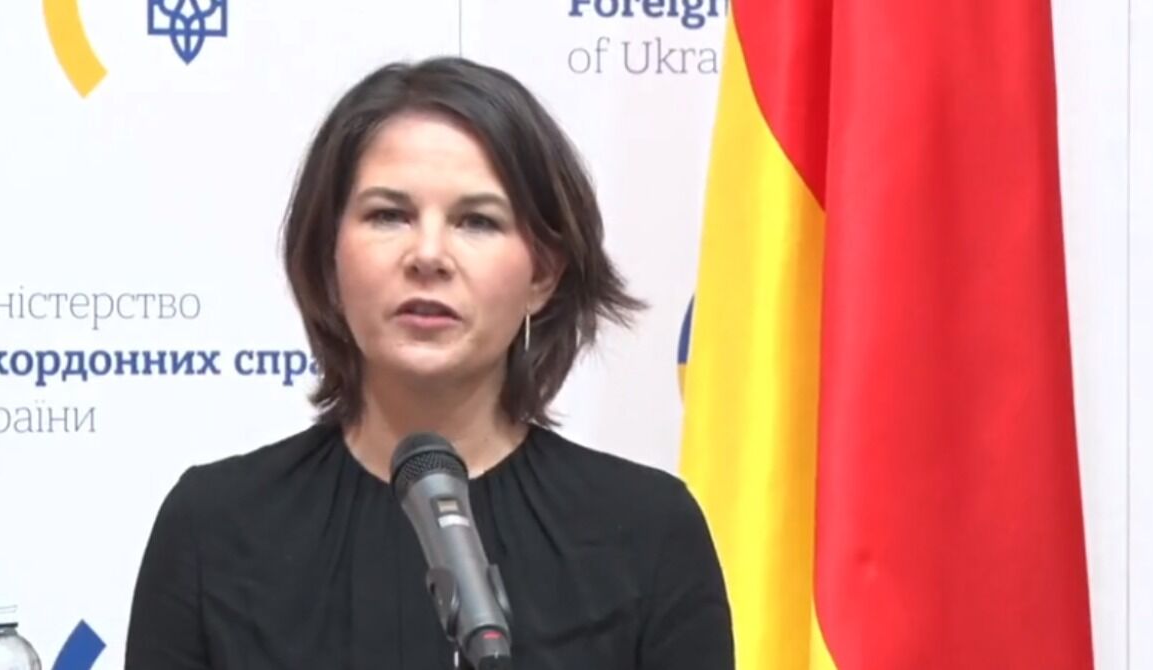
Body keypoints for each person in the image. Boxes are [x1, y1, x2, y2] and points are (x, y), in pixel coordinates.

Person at [124, 55, 734, 669]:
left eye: (478, 221)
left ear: (543, 274)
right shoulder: (213, 528)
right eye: (389, 215)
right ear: (329, 259)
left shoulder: (649, 533)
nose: (429, 255)